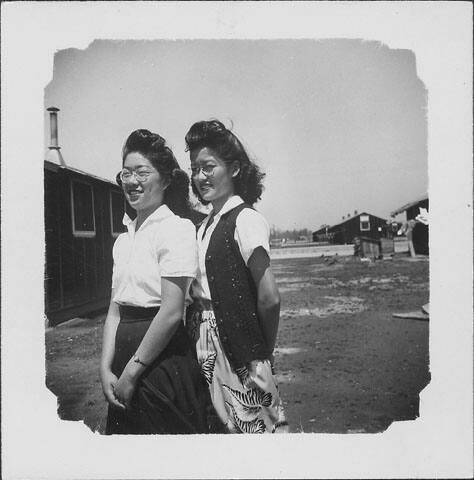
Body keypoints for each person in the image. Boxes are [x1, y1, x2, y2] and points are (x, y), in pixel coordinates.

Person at [100, 129, 209, 434]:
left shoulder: (176, 229)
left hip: (160, 363)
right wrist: (105, 368)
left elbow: (172, 311)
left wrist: (132, 373)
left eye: (142, 172)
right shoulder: (122, 240)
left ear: (165, 179)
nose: (132, 181)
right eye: (126, 173)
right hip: (122, 362)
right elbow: (114, 311)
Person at [184, 120, 289, 433]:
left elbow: (269, 298)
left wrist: (260, 354)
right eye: (194, 168)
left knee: (254, 437)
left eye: (208, 167)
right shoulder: (204, 226)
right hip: (201, 346)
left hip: (237, 350)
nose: (199, 176)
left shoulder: (246, 220)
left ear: (235, 169)